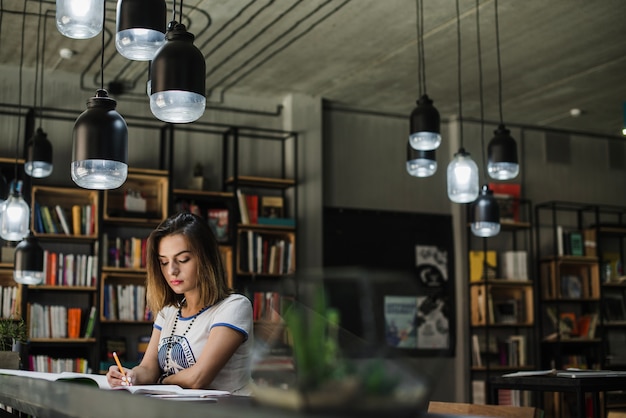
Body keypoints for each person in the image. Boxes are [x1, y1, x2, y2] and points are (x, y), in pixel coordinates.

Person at [106, 211, 254, 395]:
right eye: (164, 262)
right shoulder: (168, 312)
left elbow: (198, 378)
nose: (172, 271)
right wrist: (132, 375)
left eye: (183, 259)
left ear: (206, 258)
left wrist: (159, 380)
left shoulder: (234, 307)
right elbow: (148, 368)